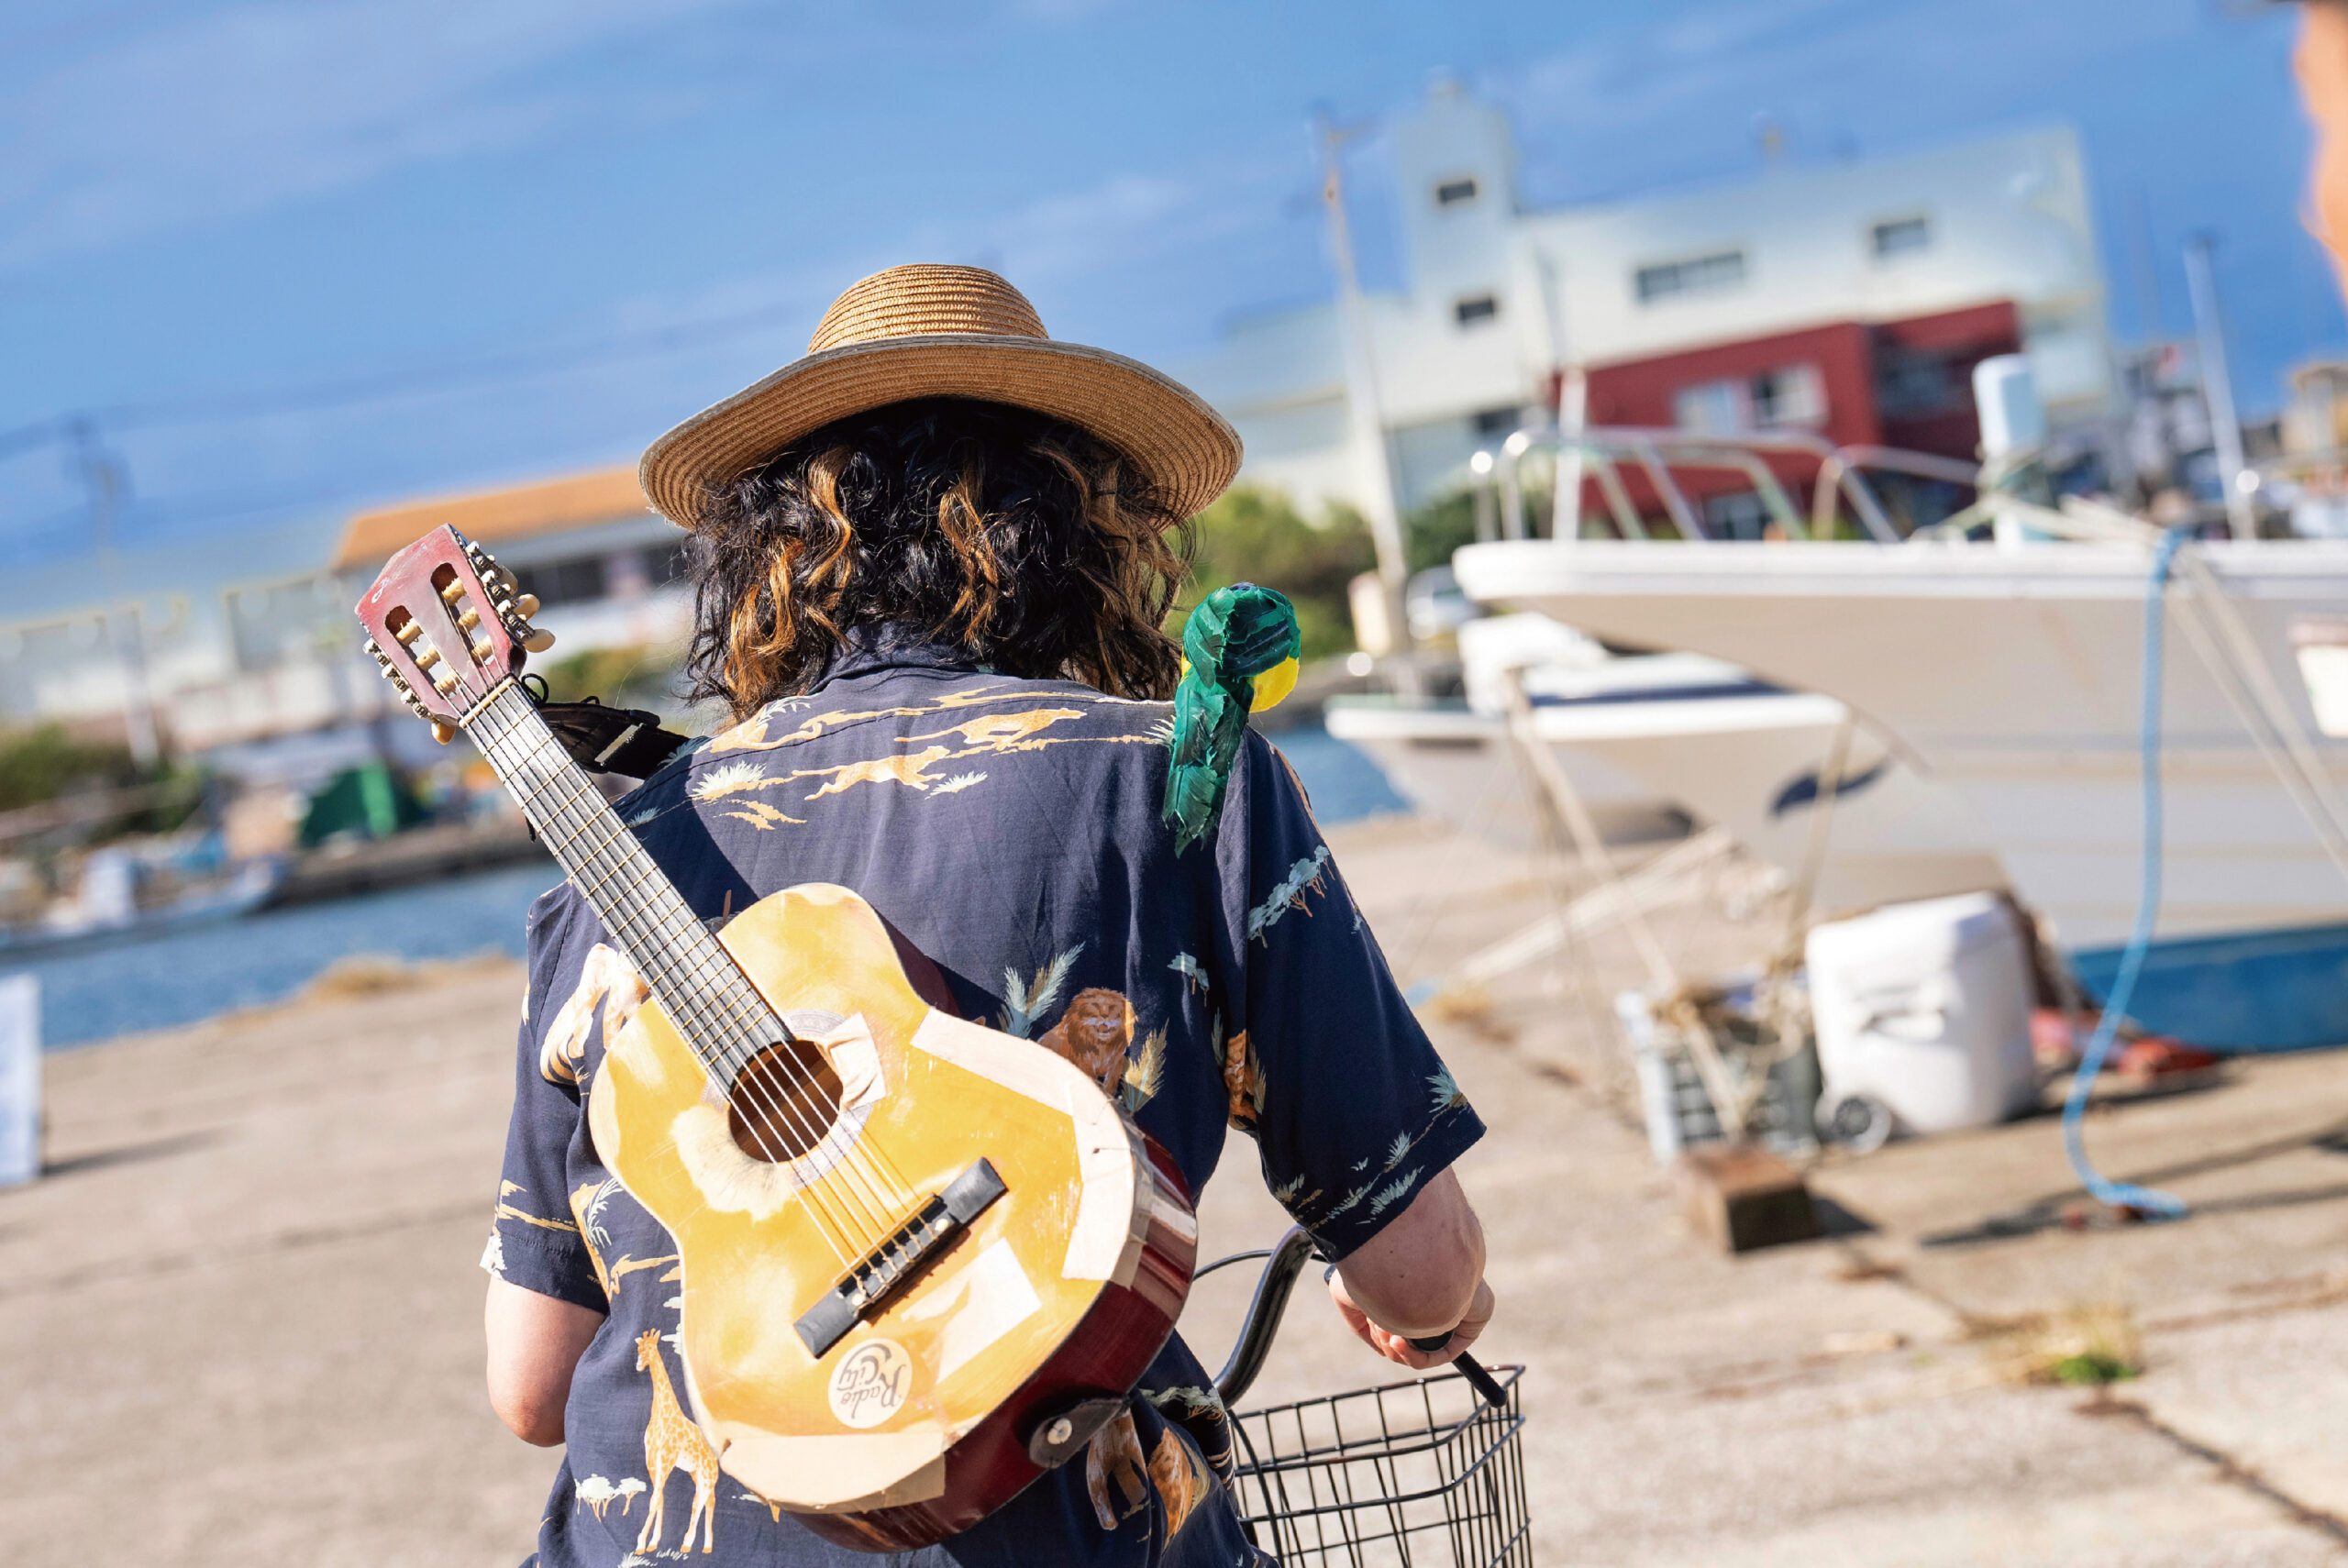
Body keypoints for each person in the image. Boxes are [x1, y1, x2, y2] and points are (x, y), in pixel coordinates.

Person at [479, 263, 1494, 1567]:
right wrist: (1438, 1306)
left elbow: (532, 1381)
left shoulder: (627, 851)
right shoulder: (1182, 781)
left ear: (772, 553)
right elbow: (1418, 1269)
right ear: (1076, 531)